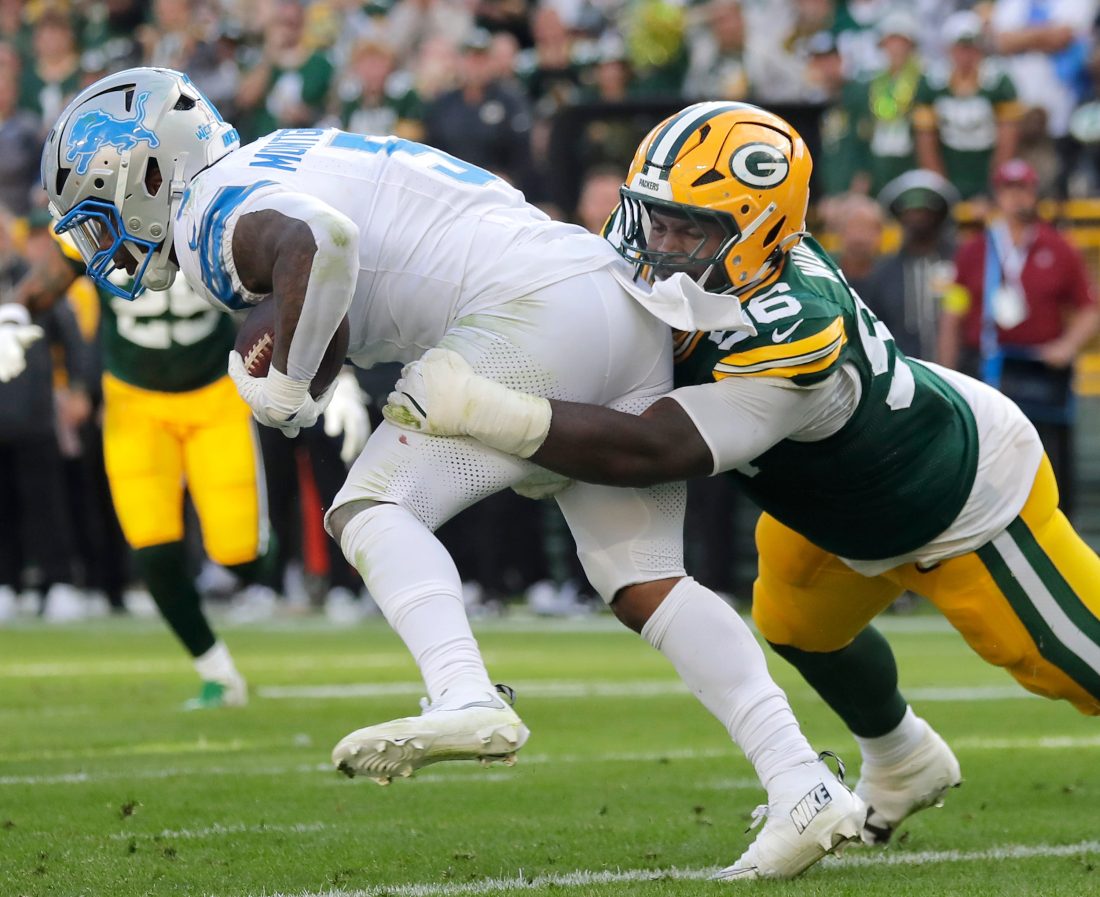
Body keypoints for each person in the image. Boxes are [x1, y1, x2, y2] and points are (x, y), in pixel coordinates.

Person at [38, 72, 862, 880]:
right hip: (602, 296)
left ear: (146, 170)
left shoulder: (209, 212)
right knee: (644, 580)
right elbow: (350, 273)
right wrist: (308, 364)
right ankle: (801, 780)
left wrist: (287, 382)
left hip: (528, 310)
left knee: (370, 506)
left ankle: (463, 692)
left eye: (97, 206)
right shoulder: (283, 154)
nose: (103, 235)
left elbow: (322, 242)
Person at [385, 101, 1100, 846]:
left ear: (760, 229)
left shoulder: (790, 322)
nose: (658, 243)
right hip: (829, 501)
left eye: (689, 228)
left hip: (958, 497)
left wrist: (490, 410)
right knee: (797, 622)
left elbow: (655, 451)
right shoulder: (667, 263)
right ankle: (903, 760)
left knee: (1070, 665)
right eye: (654, 218)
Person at [9, 217, 364, 707]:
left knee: (239, 552)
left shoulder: (212, 209)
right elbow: (38, 287)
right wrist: (11, 317)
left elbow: (291, 278)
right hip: (134, 401)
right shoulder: (90, 220)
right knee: (150, 546)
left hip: (213, 396)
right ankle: (217, 670)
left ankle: (290, 574)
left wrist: (336, 362)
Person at [940, 157, 1100, 520]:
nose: (1017, 198)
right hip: (988, 366)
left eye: (1023, 189)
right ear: (998, 195)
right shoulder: (974, 249)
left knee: (1050, 459)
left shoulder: (1058, 247)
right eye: (1009, 190)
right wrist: (946, 370)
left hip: (1040, 370)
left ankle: (1054, 528)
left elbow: (1090, 308)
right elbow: (954, 311)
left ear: (1034, 193)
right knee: (988, 457)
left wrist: (1067, 346)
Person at [861, 169, 960, 361]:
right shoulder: (883, 273)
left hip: (964, 377)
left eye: (926, 211)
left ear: (941, 215)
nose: (918, 217)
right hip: (902, 377)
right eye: (910, 211)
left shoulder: (961, 263)